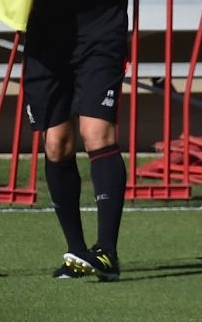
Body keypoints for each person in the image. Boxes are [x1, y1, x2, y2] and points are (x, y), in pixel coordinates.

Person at [22, 0, 128, 280]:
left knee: (96, 133)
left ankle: (107, 251)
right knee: (56, 144)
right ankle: (77, 251)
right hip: (45, 30)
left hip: (100, 25)